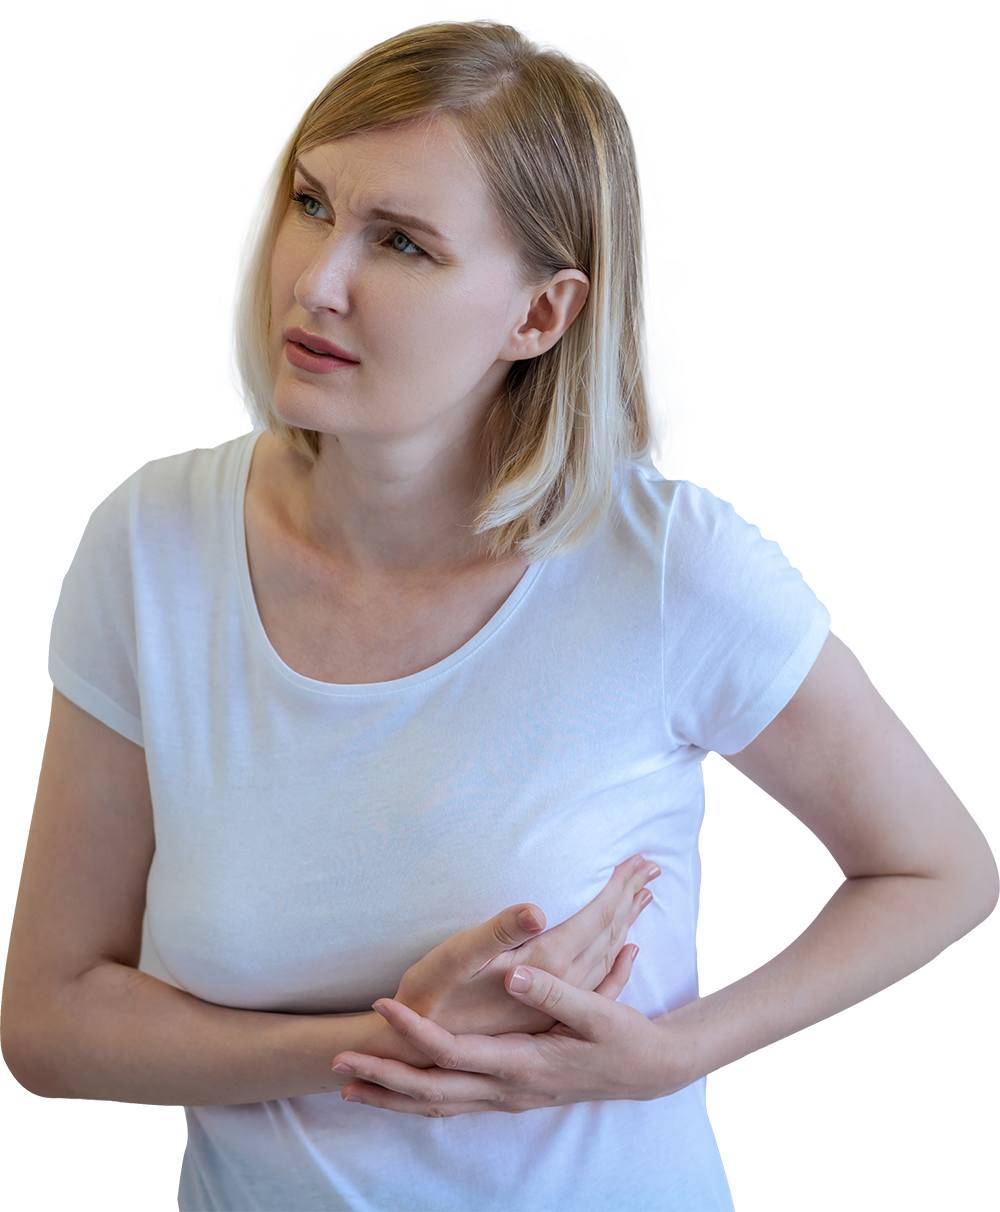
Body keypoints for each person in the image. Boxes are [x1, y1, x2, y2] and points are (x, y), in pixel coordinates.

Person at [2, 17, 996, 1212]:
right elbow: (50, 1016)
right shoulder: (155, 555)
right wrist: (387, 1041)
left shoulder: (670, 571)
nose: (314, 281)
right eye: (311, 204)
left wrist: (677, 1054)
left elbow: (935, 868)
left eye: (402, 243)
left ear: (540, 316)